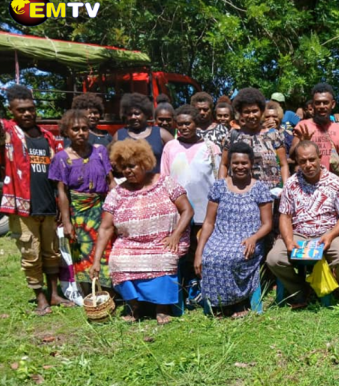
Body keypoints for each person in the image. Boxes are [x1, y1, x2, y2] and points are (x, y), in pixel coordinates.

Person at [90, 140, 193, 324]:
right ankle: (134, 306)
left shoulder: (165, 183)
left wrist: (175, 235)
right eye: (124, 168)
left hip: (163, 240)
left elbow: (187, 210)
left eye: (132, 166)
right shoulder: (117, 193)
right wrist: (96, 260)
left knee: (164, 256)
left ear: (144, 164)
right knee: (119, 259)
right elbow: (106, 228)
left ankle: (162, 308)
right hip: (129, 244)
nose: (128, 171)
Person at [0, 84, 73, 315]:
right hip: (23, 206)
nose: (27, 114)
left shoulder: (48, 137)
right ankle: (40, 298)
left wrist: (62, 204)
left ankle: (53, 295)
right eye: (21, 110)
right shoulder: (9, 133)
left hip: (49, 205)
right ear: (11, 111)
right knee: (31, 254)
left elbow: (59, 175)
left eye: (30, 109)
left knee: (51, 252)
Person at [267, 141, 339, 307]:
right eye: (302, 161)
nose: (308, 165)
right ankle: (300, 290)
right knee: (274, 259)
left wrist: (331, 235)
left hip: (327, 233)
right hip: (299, 233)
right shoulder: (291, 184)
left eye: (312, 159)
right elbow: (285, 216)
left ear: (320, 158)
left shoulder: (335, 182)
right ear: (298, 162)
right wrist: (289, 240)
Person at [194, 142, 273, 317]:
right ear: (229, 164)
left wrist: (253, 238)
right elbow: (208, 222)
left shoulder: (260, 189)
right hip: (221, 236)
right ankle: (219, 305)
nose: (240, 167)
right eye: (235, 163)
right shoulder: (219, 187)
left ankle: (238, 303)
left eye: (244, 163)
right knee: (211, 257)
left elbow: (267, 224)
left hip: (249, 239)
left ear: (251, 163)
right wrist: (199, 252)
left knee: (233, 257)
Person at [49, 110, 116, 296]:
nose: (80, 133)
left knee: (106, 250)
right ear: (67, 132)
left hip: (102, 210)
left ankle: (109, 293)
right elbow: (62, 192)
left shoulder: (100, 152)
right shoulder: (61, 158)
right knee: (82, 252)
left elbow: (110, 182)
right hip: (78, 213)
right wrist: (67, 222)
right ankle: (89, 294)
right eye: (75, 129)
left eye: (84, 129)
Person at [161, 104, 221, 296]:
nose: (184, 127)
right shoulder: (170, 147)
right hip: (178, 211)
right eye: (180, 124)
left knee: (202, 249)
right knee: (181, 252)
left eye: (188, 123)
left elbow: (219, 179)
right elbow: (164, 177)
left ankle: (205, 290)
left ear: (197, 124)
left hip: (205, 211)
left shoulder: (211, 148)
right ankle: (183, 290)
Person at [219, 88, 290, 191]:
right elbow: (224, 165)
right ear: (241, 114)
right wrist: (221, 189)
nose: (251, 116)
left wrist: (286, 189)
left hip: (270, 196)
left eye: (255, 111)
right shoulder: (232, 136)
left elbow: (284, 165)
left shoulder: (274, 135)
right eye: (247, 112)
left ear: (261, 112)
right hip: (240, 196)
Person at [290, 83, 339, 178]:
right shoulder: (303, 126)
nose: (321, 106)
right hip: (306, 184)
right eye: (317, 103)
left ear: (332, 104)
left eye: (325, 102)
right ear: (313, 105)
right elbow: (292, 157)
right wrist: (302, 142)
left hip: (330, 184)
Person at [113, 93, 173, 173]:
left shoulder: (161, 134)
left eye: (137, 113)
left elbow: (176, 157)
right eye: (130, 114)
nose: (133, 117)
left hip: (156, 182)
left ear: (146, 114)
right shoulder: (119, 135)